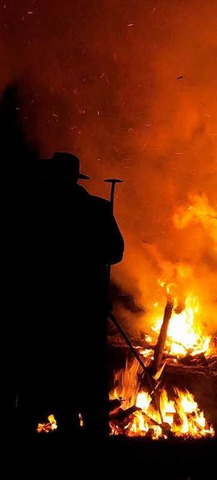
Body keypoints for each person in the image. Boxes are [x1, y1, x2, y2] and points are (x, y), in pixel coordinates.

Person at [16, 151, 124, 444]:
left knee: (50, 372)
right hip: (84, 308)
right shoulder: (98, 209)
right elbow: (115, 252)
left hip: (50, 308)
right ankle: (90, 441)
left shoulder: (39, 211)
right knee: (87, 376)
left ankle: (66, 437)